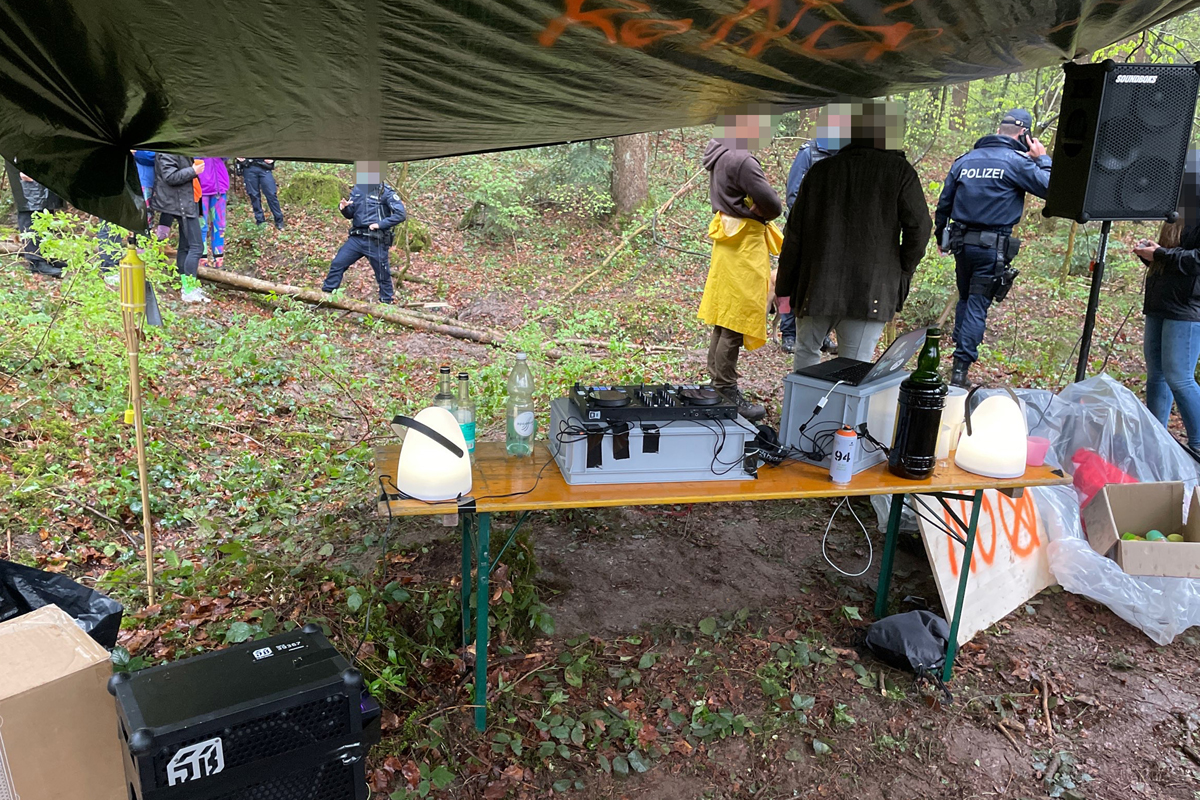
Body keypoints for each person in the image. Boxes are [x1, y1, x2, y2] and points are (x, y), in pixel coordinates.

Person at [777, 100, 931, 371]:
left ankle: (803, 402)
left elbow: (794, 235)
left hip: (816, 284)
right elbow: (920, 229)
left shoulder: (821, 171)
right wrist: (901, 270)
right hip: (870, 290)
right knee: (852, 371)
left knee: (806, 358)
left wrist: (784, 287)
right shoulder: (899, 172)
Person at [935, 109, 1051, 388]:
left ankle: (958, 361)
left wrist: (941, 237)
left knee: (966, 299)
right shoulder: (1017, 163)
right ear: (1024, 134)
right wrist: (1043, 159)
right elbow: (1051, 188)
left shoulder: (965, 160)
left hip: (962, 245)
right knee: (976, 303)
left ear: (999, 130)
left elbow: (944, 203)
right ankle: (960, 371)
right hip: (991, 248)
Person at [698, 110, 783, 423]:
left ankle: (716, 385)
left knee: (724, 319)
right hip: (744, 247)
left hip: (728, 244)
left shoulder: (719, 153)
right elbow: (773, 205)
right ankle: (725, 390)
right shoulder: (742, 159)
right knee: (734, 322)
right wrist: (761, 208)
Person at [1133, 157, 1200, 451]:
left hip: (1187, 307)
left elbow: (1196, 261)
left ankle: (1198, 443)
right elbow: (1173, 257)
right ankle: (1155, 441)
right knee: (1157, 375)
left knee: (1179, 377)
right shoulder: (1177, 213)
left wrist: (1160, 255)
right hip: (1161, 300)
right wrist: (1150, 253)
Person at [778, 104, 852, 354]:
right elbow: (793, 195)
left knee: (823, 285)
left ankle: (822, 335)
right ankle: (789, 333)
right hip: (804, 233)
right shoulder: (808, 153)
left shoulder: (845, 155)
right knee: (793, 282)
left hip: (834, 236)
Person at [321, 161, 406, 304]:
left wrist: (380, 224)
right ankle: (325, 297)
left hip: (376, 240)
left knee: (382, 274)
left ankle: (386, 304)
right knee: (337, 263)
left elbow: (400, 214)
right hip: (356, 238)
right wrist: (344, 208)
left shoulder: (385, 192)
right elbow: (351, 214)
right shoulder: (358, 189)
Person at [150, 153, 209, 302]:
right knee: (196, 247)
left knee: (185, 246)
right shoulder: (167, 150)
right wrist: (193, 171)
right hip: (180, 204)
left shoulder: (179, 149)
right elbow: (170, 176)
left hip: (187, 201)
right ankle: (189, 290)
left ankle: (187, 287)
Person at [4, 157, 66, 277]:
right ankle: (36, 261)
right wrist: (22, 168)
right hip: (25, 164)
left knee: (46, 211)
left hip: (39, 163)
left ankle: (46, 256)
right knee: (30, 212)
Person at [197, 157, 230, 268]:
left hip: (219, 187)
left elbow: (226, 155)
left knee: (220, 226)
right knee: (201, 225)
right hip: (201, 189)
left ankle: (219, 260)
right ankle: (202, 260)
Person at [236, 158, 284, 229]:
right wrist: (240, 158)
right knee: (253, 195)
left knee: (271, 194)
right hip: (249, 166)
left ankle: (279, 220)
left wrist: (273, 159)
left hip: (264, 166)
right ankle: (260, 221)